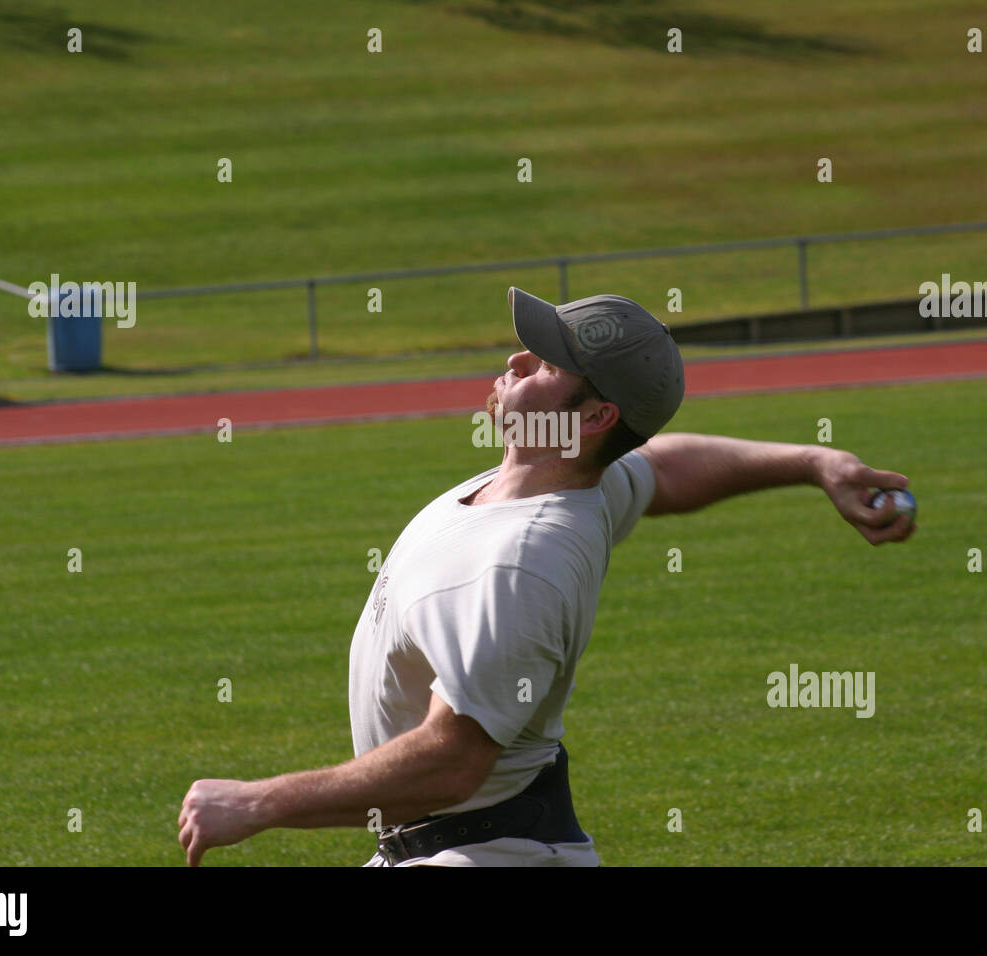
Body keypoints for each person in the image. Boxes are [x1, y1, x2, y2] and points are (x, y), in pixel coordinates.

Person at [177, 287, 915, 867]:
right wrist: (814, 462)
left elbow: (452, 762)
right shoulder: (576, 487)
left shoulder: (517, 563)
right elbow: (666, 467)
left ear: (593, 417)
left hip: (483, 852)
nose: (518, 361)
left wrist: (259, 802)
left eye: (546, 362)